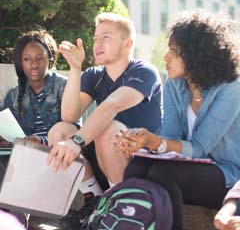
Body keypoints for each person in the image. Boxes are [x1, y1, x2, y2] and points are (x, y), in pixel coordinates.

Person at [115, 10, 240, 230]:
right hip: (189, 166)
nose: (165, 57)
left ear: (196, 56)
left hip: (227, 173)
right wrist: (141, 142)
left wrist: (154, 142)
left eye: (174, 51)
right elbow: (171, 139)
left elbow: (200, 147)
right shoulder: (175, 84)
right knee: (136, 167)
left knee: (162, 173)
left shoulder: (232, 88)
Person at [47, 12, 162, 199]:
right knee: (59, 131)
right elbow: (69, 116)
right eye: (95, 39)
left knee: (108, 128)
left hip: (139, 161)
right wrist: (76, 68)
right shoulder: (93, 75)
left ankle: (119, 202)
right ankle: (93, 198)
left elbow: (112, 106)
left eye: (106, 37)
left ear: (128, 44)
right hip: (103, 155)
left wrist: (76, 142)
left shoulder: (145, 71)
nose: (97, 44)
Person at [1, 28, 68, 146]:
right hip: (22, 157)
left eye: (39, 58)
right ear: (20, 62)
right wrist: (7, 142)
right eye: (27, 59)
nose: (34, 65)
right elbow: (8, 136)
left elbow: (75, 131)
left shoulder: (64, 87)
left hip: (57, 156)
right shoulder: (13, 96)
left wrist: (42, 141)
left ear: (50, 58)